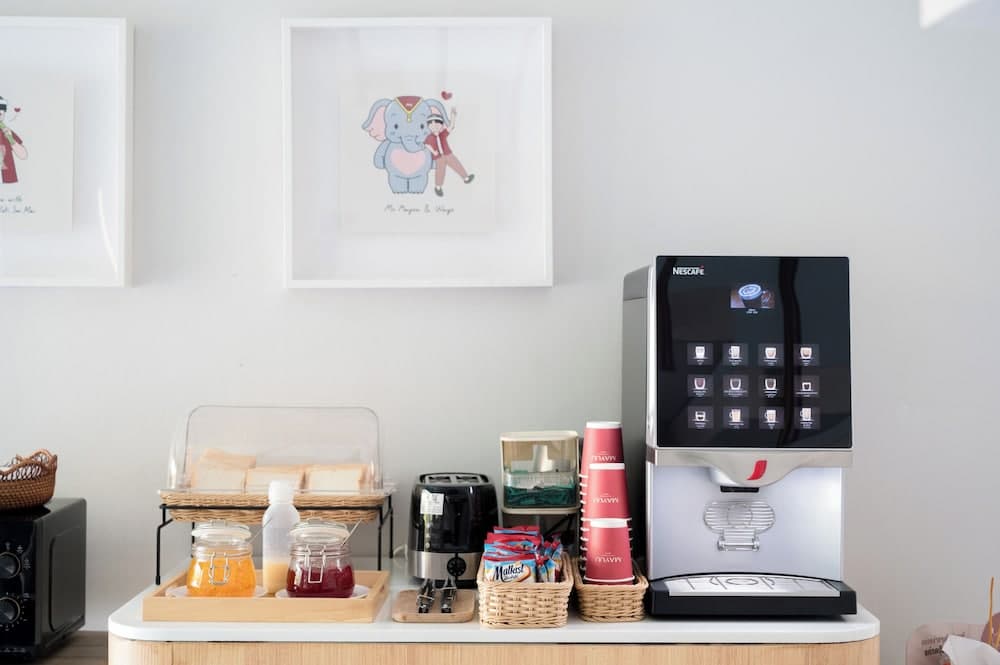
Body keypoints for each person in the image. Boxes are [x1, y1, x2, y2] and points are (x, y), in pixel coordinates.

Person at [424, 107, 473, 196]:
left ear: (441, 125)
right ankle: (438, 187)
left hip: (448, 153)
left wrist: (453, 116)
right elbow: (426, 144)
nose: (434, 126)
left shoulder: (443, 134)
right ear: (428, 126)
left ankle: (466, 178)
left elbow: (451, 127)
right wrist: (433, 152)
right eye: (431, 124)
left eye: (437, 124)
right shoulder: (430, 137)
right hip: (439, 157)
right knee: (440, 171)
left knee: (456, 164)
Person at [0, 97, 27, 184]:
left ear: (4, 114)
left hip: (8, 180)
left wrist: (12, 140)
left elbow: (23, 155)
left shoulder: (6, 131)